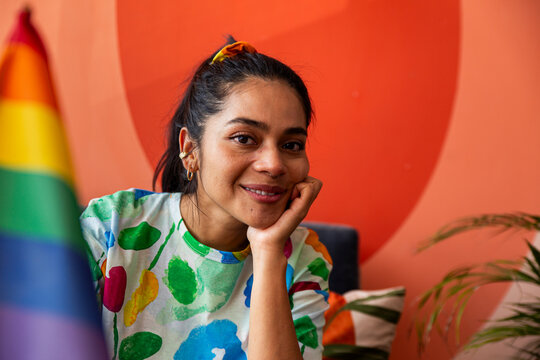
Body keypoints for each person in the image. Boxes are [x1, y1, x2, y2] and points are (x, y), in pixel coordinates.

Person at [81, 38, 332, 360]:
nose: (274, 164)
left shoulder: (304, 257)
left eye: (292, 144)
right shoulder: (111, 226)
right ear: (190, 149)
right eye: (244, 138)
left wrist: (269, 250)